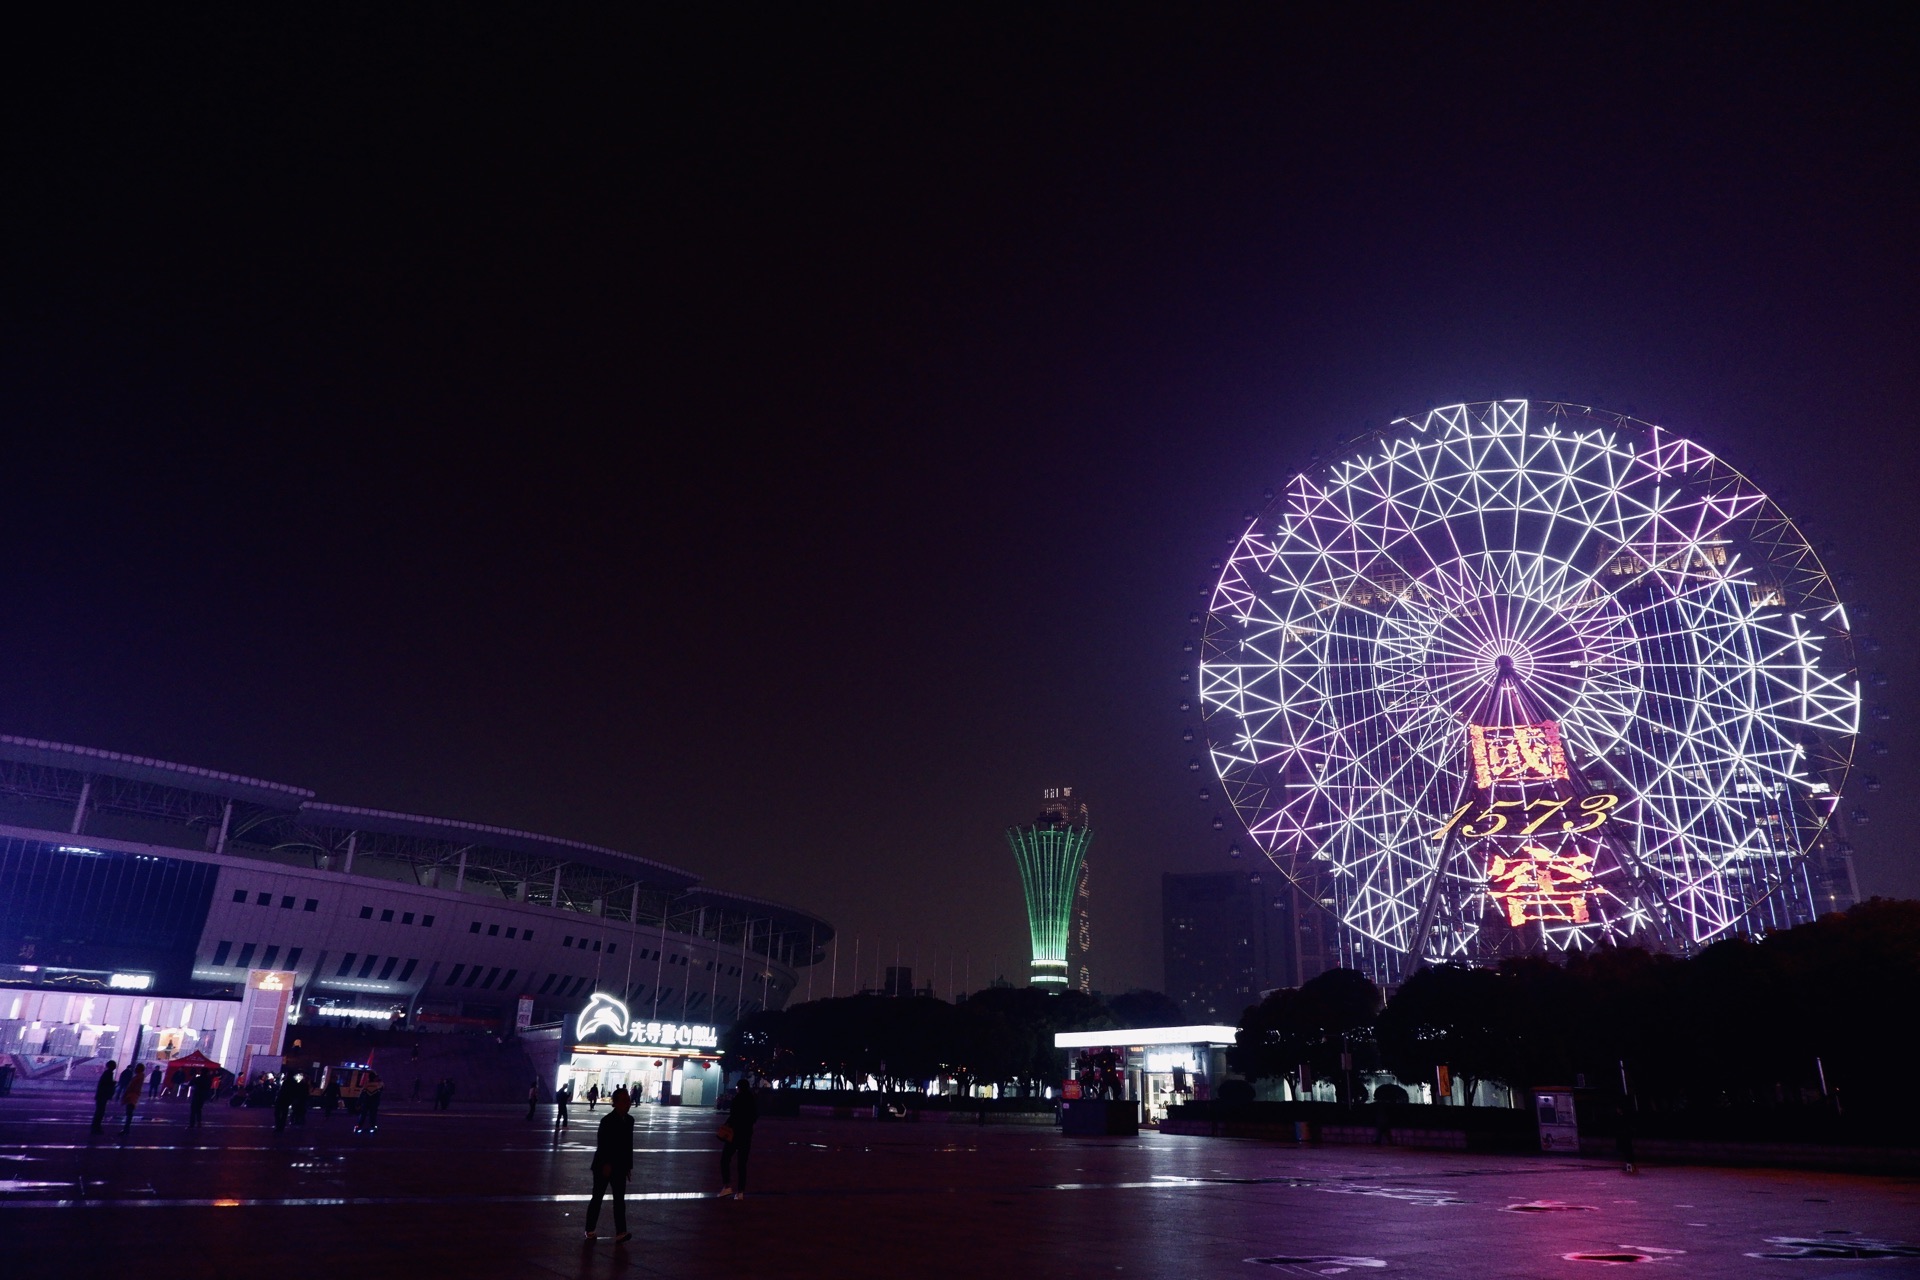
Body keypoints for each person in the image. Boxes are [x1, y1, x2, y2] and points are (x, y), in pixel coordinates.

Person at [583, 1087, 634, 1242]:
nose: (628, 1103)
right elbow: (603, 1144)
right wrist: (606, 1163)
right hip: (603, 1166)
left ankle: (621, 1232)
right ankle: (590, 1229)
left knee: (619, 1199)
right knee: (597, 1197)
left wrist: (628, 1166)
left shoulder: (630, 1120)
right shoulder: (607, 1120)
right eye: (624, 1100)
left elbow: (628, 1145)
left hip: (620, 1166)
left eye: (628, 1100)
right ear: (615, 1103)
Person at [719, 1077, 757, 1200]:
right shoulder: (752, 1100)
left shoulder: (738, 1099)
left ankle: (727, 1186)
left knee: (725, 1159)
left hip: (735, 1135)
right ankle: (740, 1192)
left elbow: (733, 1116)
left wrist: (726, 1126)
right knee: (742, 1164)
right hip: (746, 1135)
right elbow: (754, 1117)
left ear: (739, 1088)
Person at [91, 1060, 119, 1134]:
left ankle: (95, 1127)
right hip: (103, 1096)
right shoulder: (108, 1074)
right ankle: (96, 1127)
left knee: (99, 1112)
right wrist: (113, 1084)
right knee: (100, 1112)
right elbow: (106, 1085)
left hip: (101, 1095)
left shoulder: (107, 1073)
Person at [120, 1063, 146, 1135]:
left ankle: (126, 1129)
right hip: (133, 1095)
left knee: (129, 1112)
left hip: (131, 1096)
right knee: (129, 1112)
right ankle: (126, 1128)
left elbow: (131, 1087)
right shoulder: (140, 1076)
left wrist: (125, 1094)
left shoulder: (138, 1077)